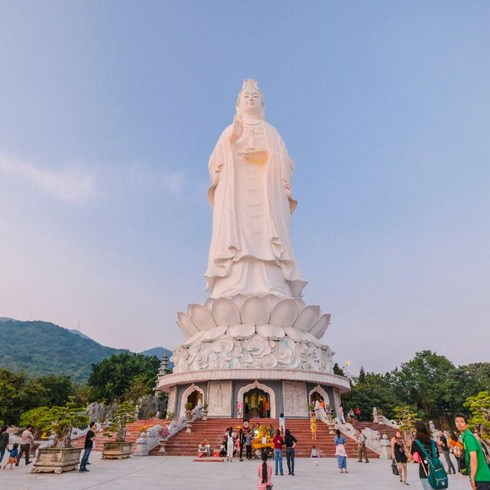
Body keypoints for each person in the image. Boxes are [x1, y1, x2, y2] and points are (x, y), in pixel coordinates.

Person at [205, 79, 307, 299]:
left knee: (267, 236)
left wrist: (267, 157)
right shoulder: (229, 132)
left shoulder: (271, 133)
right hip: (236, 195)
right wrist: (231, 139)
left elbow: (287, 164)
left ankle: (272, 284)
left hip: (265, 197)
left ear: (262, 104)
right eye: (246, 97)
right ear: (238, 105)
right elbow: (214, 163)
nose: (250, 99)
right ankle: (231, 284)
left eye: (255, 97)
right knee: (236, 237)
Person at [455, 413, 490, 489]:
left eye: (462, 421)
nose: (459, 423)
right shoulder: (467, 436)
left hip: (481, 477)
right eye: (457, 421)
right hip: (482, 476)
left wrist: (472, 478)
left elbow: (474, 459)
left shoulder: (468, 437)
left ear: (466, 425)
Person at [411, 421, 438, 490]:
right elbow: (437, 456)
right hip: (437, 471)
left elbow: (414, 458)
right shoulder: (433, 442)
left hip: (425, 472)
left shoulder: (415, 443)